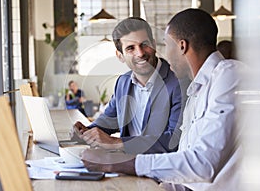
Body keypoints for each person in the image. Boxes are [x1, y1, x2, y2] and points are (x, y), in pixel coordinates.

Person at [81, 8, 244, 191]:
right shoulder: (196, 90)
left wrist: (117, 162)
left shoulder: (230, 75)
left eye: (166, 45)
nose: (163, 54)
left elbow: (203, 163)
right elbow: (186, 169)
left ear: (182, 46)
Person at [74, 17, 182, 154]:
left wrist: (116, 142)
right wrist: (85, 132)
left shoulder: (178, 82)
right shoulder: (122, 83)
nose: (140, 53)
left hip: (160, 167)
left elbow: (174, 140)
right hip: (126, 165)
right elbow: (108, 121)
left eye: (144, 44)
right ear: (120, 56)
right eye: (131, 48)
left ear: (154, 45)